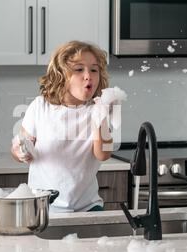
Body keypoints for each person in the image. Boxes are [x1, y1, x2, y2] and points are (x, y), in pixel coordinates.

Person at [11, 40, 116, 212]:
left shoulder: (98, 110)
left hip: (87, 207)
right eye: (79, 69)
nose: (88, 75)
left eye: (94, 69)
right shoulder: (40, 106)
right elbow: (19, 147)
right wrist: (21, 152)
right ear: (61, 75)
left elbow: (103, 154)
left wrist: (100, 117)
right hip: (43, 208)